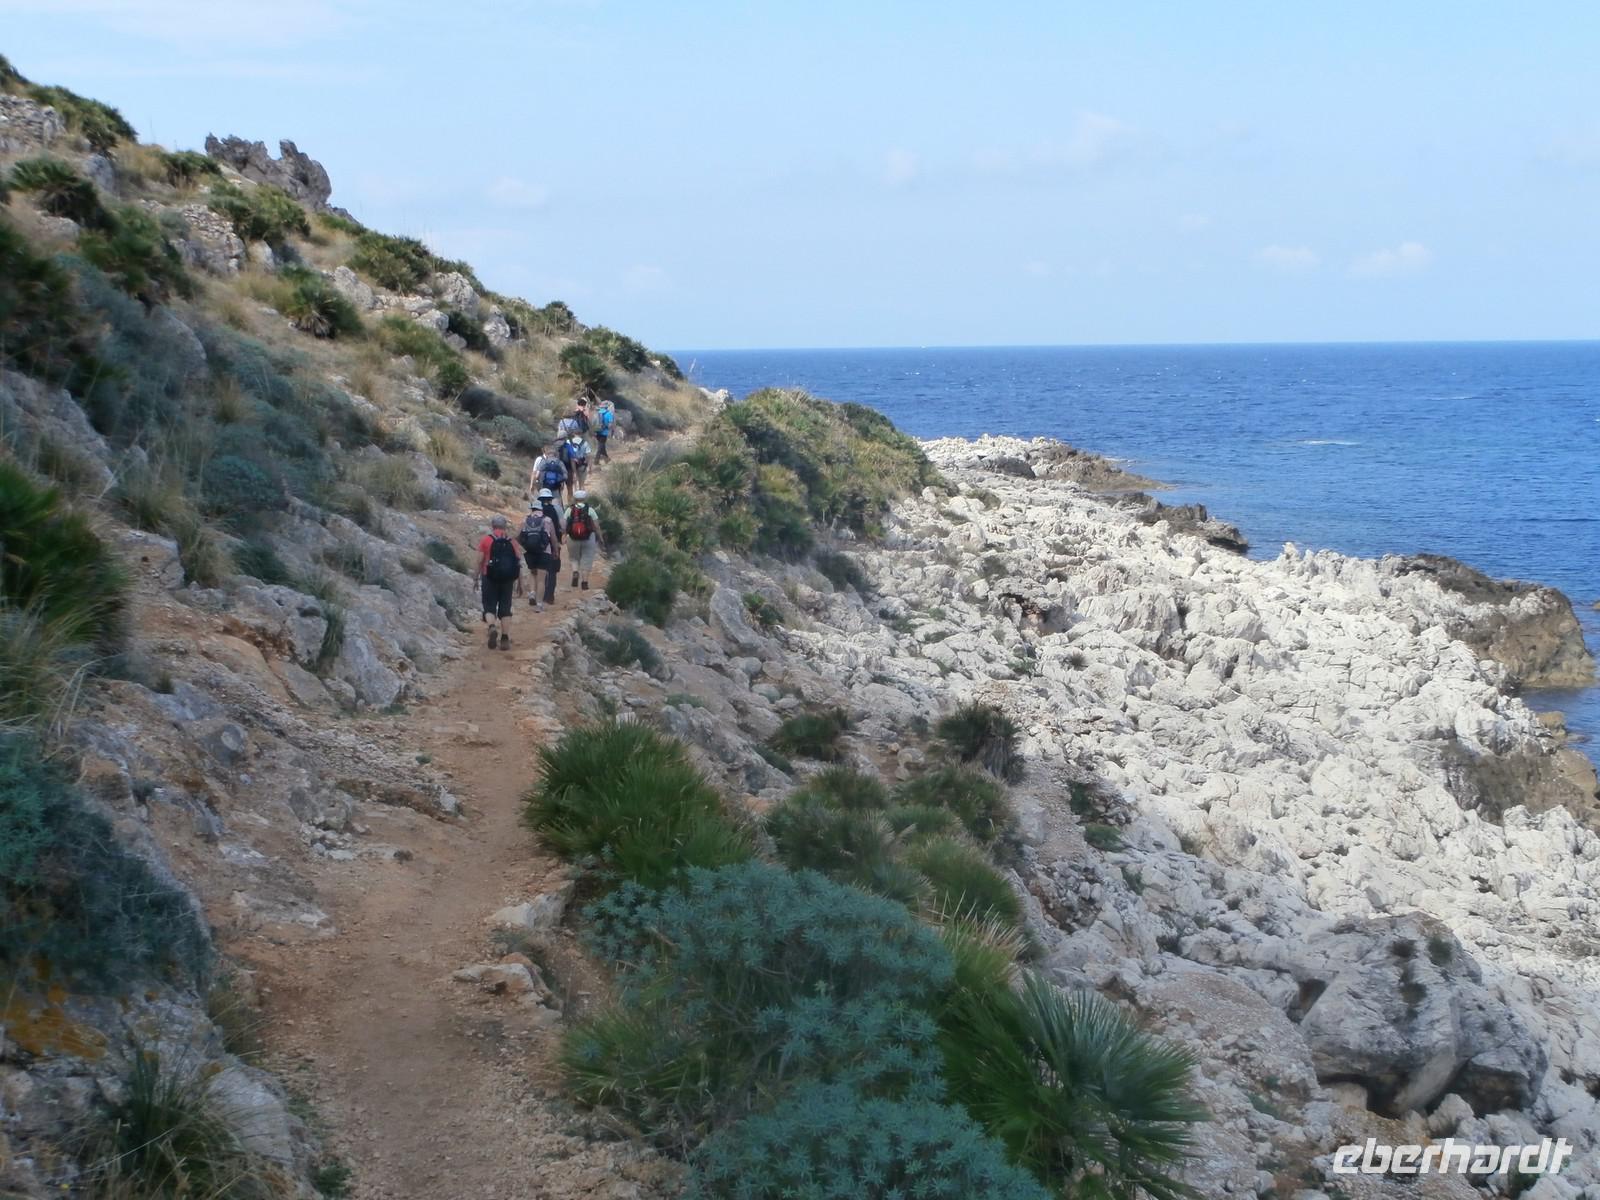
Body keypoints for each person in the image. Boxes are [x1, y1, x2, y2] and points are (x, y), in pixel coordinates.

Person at [477, 514, 520, 649]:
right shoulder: (512, 541)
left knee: (489, 606)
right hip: (508, 579)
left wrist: (475, 577)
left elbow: (479, 561)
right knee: (505, 608)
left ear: (492, 526)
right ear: (505, 526)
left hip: (489, 576)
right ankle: (505, 638)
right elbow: (518, 563)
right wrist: (521, 582)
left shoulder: (486, 540)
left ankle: (491, 627)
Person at [519, 494, 561, 610]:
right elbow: (553, 538)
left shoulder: (525, 519)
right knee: (541, 579)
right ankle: (539, 605)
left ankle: (532, 593)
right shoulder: (547, 520)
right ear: (541, 509)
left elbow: (519, 536)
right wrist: (556, 551)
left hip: (530, 551)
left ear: (532, 508)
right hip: (544, 551)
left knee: (533, 573)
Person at [565, 489, 604, 590]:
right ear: (585, 498)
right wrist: (600, 537)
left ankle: (575, 572)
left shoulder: (570, 510)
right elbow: (596, 526)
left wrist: (564, 535)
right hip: (588, 537)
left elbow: (564, 524)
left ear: (575, 499)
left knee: (574, 558)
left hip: (572, 538)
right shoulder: (590, 510)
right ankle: (584, 583)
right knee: (587, 558)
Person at [558, 433, 590, 504]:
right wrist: (574, 472)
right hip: (568, 469)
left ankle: (559, 506)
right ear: (566, 437)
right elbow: (572, 459)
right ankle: (570, 504)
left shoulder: (555, 446)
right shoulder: (568, 446)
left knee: (559, 490)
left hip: (558, 471)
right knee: (569, 489)